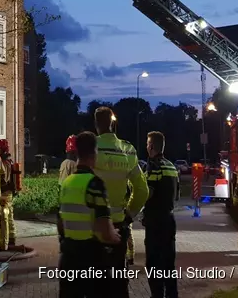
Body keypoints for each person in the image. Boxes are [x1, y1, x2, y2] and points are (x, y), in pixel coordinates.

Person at [58, 131, 120, 298]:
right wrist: (114, 236)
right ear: (94, 153)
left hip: (68, 258)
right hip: (91, 259)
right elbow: (105, 231)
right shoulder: (94, 184)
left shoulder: (67, 183)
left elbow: (60, 222)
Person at [94, 106, 148, 297]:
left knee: (95, 281)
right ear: (112, 123)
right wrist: (129, 215)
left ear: (96, 124)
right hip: (119, 225)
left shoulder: (90, 148)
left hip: (95, 226)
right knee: (118, 277)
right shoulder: (128, 150)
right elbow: (142, 190)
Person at [143, 131, 179, 298]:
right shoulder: (172, 166)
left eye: (147, 144)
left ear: (151, 147)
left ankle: (156, 295)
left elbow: (147, 193)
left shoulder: (153, 166)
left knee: (153, 264)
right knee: (168, 264)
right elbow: (177, 195)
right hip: (169, 219)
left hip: (155, 222)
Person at [0, 139, 17, 251]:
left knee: (3, 217)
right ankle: (12, 238)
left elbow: (3, 179)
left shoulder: (3, 162)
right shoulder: (11, 161)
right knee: (10, 216)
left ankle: (4, 241)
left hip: (3, 193)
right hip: (9, 194)